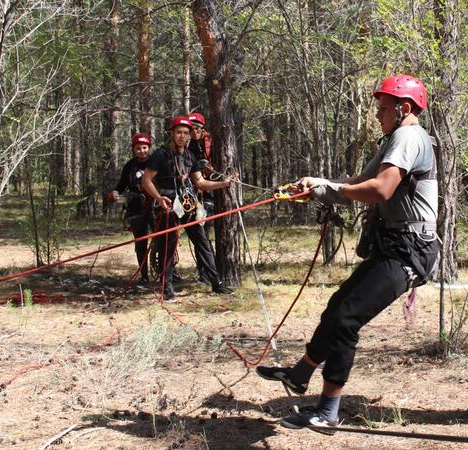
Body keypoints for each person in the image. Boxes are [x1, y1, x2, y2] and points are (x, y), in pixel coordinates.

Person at [255, 75, 440, 433]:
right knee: (338, 306)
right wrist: (318, 188)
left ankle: (327, 411)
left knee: (346, 319)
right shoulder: (393, 140)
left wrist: (329, 188)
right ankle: (299, 374)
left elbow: (381, 189)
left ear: (404, 108)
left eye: (383, 108)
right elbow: (357, 184)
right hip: (394, 245)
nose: (377, 115)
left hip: (409, 250)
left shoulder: (408, 136)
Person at [140, 116, 235, 302]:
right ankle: (166, 287)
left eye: (185, 133)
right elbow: (146, 180)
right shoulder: (160, 155)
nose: (182, 136)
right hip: (168, 205)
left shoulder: (190, 156)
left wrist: (223, 184)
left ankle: (217, 283)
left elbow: (199, 182)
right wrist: (159, 198)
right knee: (168, 245)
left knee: (202, 242)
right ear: (172, 134)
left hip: (187, 204)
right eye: (179, 133)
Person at [108, 133, 153, 289]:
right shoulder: (130, 166)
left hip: (156, 206)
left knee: (162, 240)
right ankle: (144, 276)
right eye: (138, 148)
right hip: (136, 207)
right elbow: (121, 185)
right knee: (141, 242)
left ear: (149, 147)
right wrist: (115, 193)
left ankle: (167, 274)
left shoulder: (157, 162)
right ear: (134, 149)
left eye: (144, 147)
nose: (142, 151)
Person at [187, 112, 216, 283]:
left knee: (203, 234)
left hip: (209, 195)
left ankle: (211, 272)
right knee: (199, 235)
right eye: (191, 128)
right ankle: (204, 272)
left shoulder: (211, 144)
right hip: (191, 196)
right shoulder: (187, 146)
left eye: (197, 128)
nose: (194, 131)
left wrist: (211, 171)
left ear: (203, 128)